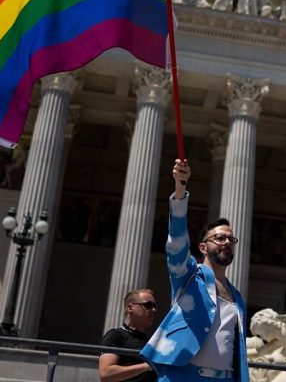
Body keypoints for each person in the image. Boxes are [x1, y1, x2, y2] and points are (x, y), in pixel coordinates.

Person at [141, 160, 249, 382]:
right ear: (203, 247)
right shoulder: (188, 275)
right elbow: (177, 244)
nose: (227, 242)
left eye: (231, 239)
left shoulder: (238, 298)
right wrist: (180, 190)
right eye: (219, 238)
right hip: (183, 376)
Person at [99, 289, 158, 382]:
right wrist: (146, 366)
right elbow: (106, 374)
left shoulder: (151, 341)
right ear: (130, 308)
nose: (153, 310)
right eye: (148, 305)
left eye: (154, 306)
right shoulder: (116, 335)